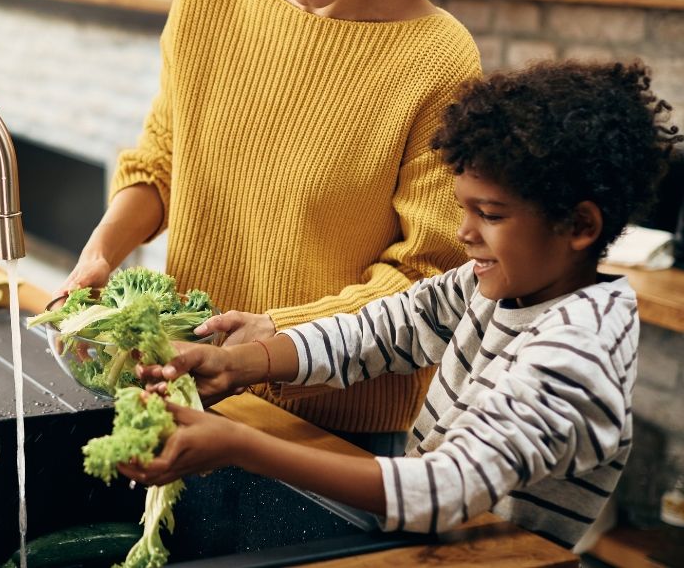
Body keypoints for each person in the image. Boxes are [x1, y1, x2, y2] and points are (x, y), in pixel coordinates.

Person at [59, 0, 490, 450]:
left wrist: (278, 339)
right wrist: (101, 254)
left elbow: (428, 274)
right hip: (188, 385)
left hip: (340, 427)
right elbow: (163, 162)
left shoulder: (439, 60)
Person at [125, 60, 680, 550]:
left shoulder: (575, 352)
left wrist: (240, 445)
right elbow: (389, 329)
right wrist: (240, 362)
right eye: (465, 208)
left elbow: (444, 489)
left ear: (580, 225)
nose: (463, 233)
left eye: (490, 214)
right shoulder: (499, 286)